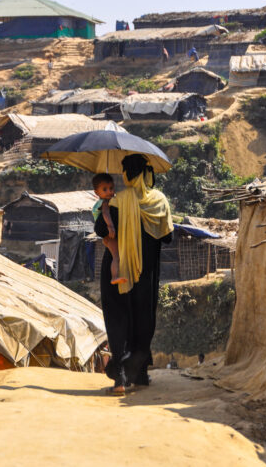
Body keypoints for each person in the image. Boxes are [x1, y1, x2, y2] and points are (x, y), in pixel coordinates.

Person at [95, 154, 173, 395]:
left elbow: (100, 229)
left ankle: (119, 378)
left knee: (118, 319)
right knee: (143, 320)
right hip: (146, 276)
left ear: (128, 175)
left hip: (119, 271)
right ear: (147, 174)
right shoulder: (160, 201)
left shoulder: (119, 201)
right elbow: (168, 236)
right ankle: (139, 374)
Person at [91, 174, 126, 286]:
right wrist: (110, 226)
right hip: (107, 231)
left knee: (116, 255)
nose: (109, 192)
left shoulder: (99, 203)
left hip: (105, 236)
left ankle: (115, 276)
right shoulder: (104, 202)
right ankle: (114, 277)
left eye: (111, 188)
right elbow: (105, 213)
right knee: (116, 256)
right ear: (96, 192)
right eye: (104, 189)